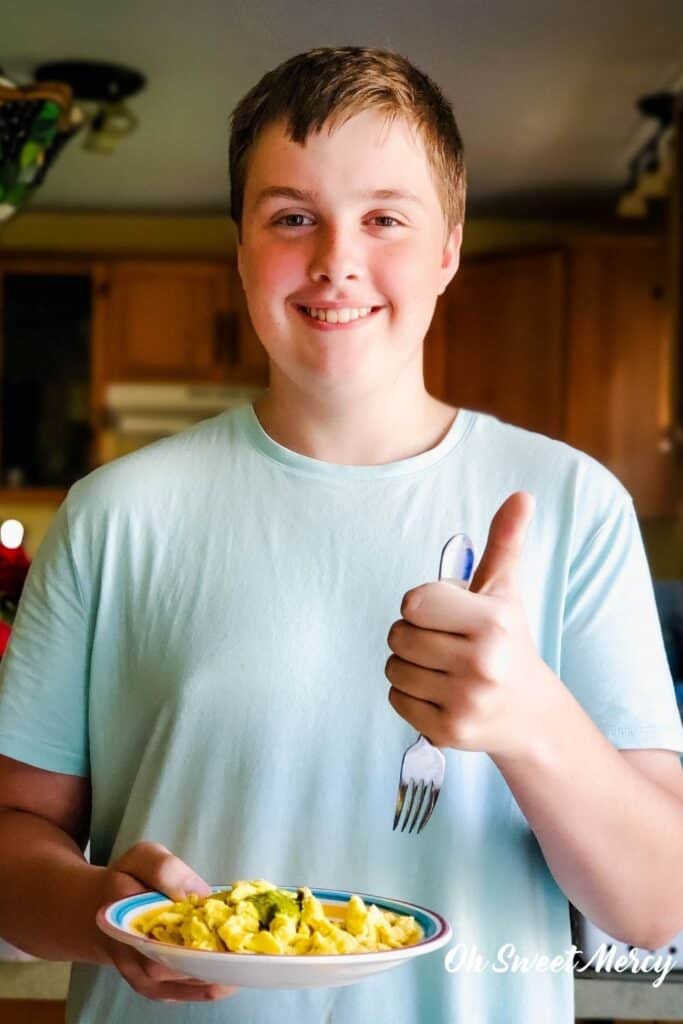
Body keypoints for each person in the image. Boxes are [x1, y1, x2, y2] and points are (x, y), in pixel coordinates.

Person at [0, 45, 681, 1024]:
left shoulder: (571, 505)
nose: (336, 261)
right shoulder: (114, 515)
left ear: (447, 246)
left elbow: (655, 905)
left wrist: (531, 720)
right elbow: (14, 837)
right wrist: (97, 909)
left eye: (384, 219)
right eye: (290, 217)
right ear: (239, 246)